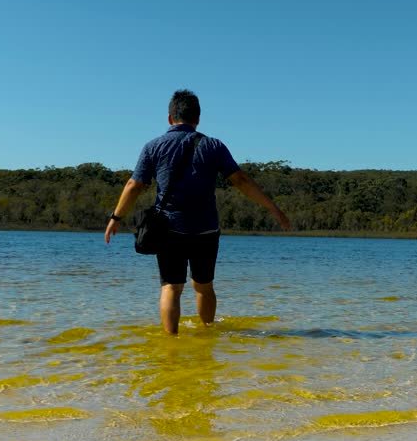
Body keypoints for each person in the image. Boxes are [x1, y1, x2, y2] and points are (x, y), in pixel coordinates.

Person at [105, 90, 290, 335]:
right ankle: (208, 334)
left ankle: (171, 345)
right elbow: (241, 180)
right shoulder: (213, 145)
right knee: (204, 286)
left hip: (169, 229)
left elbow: (134, 185)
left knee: (171, 287)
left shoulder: (153, 146)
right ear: (198, 119)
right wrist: (273, 208)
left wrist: (116, 218)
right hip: (206, 229)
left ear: (170, 118)